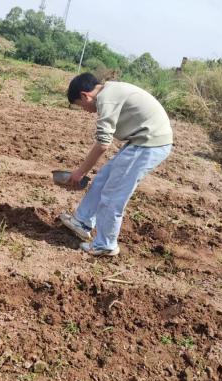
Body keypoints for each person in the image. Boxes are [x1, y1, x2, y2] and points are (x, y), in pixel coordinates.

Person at [60, 73, 173, 257]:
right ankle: (82, 221)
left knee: (113, 194)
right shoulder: (109, 90)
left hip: (149, 143)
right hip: (141, 140)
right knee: (103, 179)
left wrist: (80, 172)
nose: (85, 111)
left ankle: (106, 244)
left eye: (81, 106)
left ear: (85, 96)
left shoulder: (106, 99)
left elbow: (103, 144)